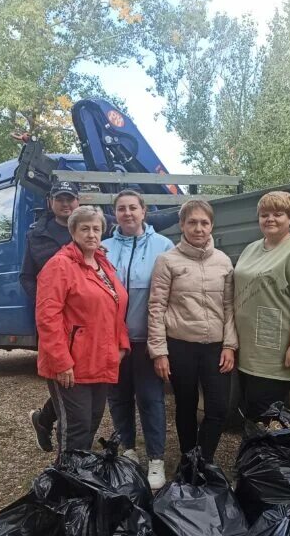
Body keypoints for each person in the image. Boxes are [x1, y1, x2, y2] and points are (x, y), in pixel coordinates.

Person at [35, 205, 130, 457]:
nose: (91, 234)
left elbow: (115, 305)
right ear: (73, 231)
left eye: (96, 229)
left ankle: (81, 479)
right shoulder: (59, 266)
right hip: (71, 364)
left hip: (100, 358)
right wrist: (61, 361)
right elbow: (47, 317)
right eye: (85, 228)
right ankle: (67, 488)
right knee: (75, 428)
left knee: (91, 423)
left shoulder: (103, 265)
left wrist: (122, 344)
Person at [147, 199, 237, 464]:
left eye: (204, 222)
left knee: (218, 408)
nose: (198, 228)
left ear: (212, 225)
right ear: (182, 224)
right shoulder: (167, 261)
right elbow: (156, 307)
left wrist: (230, 345)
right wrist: (159, 352)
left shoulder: (223, 261)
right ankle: (188, 461)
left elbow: (231, 306)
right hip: (180, 346)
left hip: (215, 348)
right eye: (192, 222)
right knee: (185, 407)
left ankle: (203, 459)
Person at [101, 190, 174, 489]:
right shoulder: (103, 247)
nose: (127, 213)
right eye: (121, 209)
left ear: (144, 211)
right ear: (114, 214)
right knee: (117, 398)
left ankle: (156, 460)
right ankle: (128, 452)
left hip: (147, 338)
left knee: (150, 399)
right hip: (112, 341)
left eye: (133, 208)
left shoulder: (164, 246)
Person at [232, 191, 290, 420]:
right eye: (264, 214)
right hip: (247, 349)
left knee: (268, 413)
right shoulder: (251, 248)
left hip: (276, 352)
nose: (270, 219)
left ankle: (273, 456)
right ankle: (258, 455)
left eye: (278, 214)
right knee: (250, 410)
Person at [22, 180, 81, 453]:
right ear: (50, 202)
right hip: (55, 319)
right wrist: (47, 303)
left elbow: (136, 219)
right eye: (60, 199)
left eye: (70, 198)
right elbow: (27, 276)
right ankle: (66, 456)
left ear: (78, 201)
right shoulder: (37, 234)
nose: (66, 204)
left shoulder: (89, 225)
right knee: (63, 379)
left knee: (78, 381)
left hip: (83, 318)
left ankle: (43, 419)